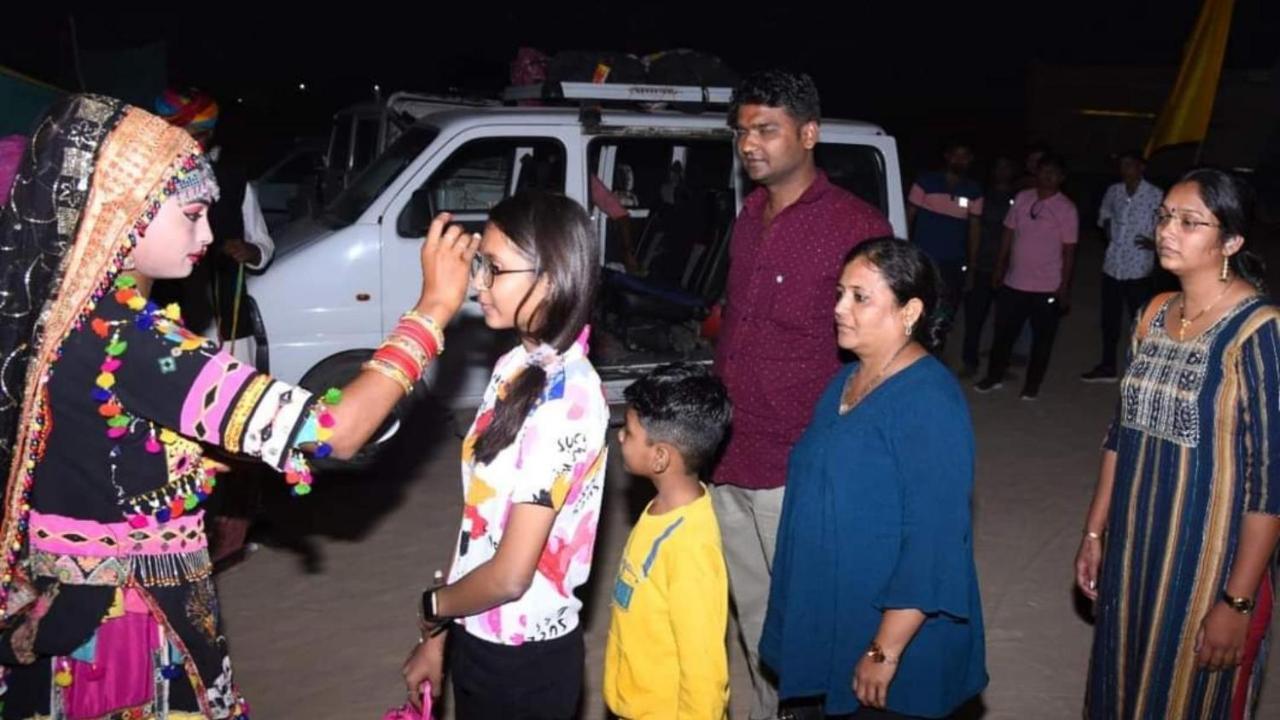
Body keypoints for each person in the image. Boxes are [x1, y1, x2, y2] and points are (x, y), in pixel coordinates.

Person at [0, 94, 475, 718]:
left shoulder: (58, 318)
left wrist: (186, 456)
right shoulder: (136, 342)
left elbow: (97, 448)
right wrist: (432, 311)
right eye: (191, 214)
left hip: (63, 606)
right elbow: (333, 432)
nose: (206, 235)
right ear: (120, 213)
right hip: (121, 634)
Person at [715, 69, 892, 720]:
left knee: (815, 620)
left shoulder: (855, 226)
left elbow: (885, 352)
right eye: (741, 132)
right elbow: (737, 322)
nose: (750, 145)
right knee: (754, 615)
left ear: (809, 134)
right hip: (731, 452)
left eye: (767, 129)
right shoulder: (749, 215)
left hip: (801, 464)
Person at [1075, 168, 1280, 720]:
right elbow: (1122, 432)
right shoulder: (1153, 314)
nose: (1168, 229)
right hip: (1134, 551)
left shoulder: (1258, 330)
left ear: (1230, 242)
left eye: (1190, 222)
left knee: (1185, 701)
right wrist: (1096, 531)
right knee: (1119, 692)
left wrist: (1237, 601)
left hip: (1207, 564)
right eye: (1166, 216)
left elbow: (1270, 483)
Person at [400, 191, 610, 720]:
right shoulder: (516, 364)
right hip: (477, 632)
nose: (476, 284)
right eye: (480, 266)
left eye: (494, 268)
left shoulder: (570, 402)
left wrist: (432, 609)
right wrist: (441, 638)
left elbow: (512, 575)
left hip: (523, 664)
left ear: (552, 276)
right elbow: (479, 518)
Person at [762, 237, 987, 718]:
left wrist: (884, 650)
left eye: (860, 297)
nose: (840, 308)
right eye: (840, 293)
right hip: (839, 612)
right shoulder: (844, 379)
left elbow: (935, 542)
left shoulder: (930, 404)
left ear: (910, 311)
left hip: (890, 638)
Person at [604, 363, 732, 720]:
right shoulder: (663, 507)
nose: (619, 437)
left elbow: (704, 673)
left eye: (628, 432)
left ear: (660, 457)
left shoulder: (690, 550)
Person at [973, 153, 1078, 400]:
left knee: (1042, 340)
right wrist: (1000, 266)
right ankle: (994, 376)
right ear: (1036, 173)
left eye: (1054, 173)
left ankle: (1032, 385)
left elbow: (1070, 251)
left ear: (1062, 178)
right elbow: (1008, 233)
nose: (1048, 176)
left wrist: (1064, 287)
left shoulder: (1066, 208)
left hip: (1047, 286)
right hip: (1014, 281)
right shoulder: (1022, 198)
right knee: (1003, 334)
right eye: (1044, 171)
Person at [1079, 150, 1162, 383]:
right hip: (1113, 264)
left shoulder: (1155, 195)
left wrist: (1156, 242)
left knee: (1141, 322)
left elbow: (1168, 222)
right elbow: (1104, 211)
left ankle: (1143, 370)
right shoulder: (1114, 191)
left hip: (1138, 268)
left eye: (1130, 165)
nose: (1125, 169)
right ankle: (1107, 366)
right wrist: (1105, 223)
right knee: (1110, 320)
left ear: (1141, 167)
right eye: (1122, 165)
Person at [906, 139, 982, 354]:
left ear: (970, 160)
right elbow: (909, 215)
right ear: (947, 156)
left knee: (945, 314)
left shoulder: (973, 190)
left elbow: (974, 230)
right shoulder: (926, 182)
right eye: (956, 154)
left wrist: (972, 266)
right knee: (915, 310)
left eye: (964, 156)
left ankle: (935, 357)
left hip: (953, 262)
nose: (960, 159)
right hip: (923, 260)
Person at [960, 156, 1017, 377]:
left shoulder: (1020, 198)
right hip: (981, 264)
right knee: (974, 318)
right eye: (999, 166)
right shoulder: (979, 194)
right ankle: (969, 361)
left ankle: (1000, 364)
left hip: (1010, 268)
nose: (1002, 171)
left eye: (1007, 167)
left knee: (1005, 321)